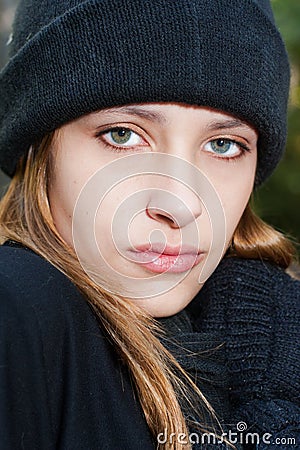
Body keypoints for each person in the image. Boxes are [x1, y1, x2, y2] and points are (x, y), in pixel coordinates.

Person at [0, 0, 299, 449]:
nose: (179, 204)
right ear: (39, 150)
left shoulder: (267, 332)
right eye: (123, 135)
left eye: (223, 144)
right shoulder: (19, 309)